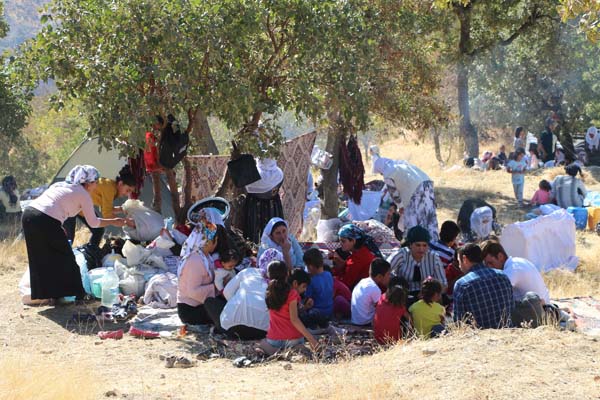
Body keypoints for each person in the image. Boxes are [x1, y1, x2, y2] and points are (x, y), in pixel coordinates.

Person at [21, 165, 131, 301]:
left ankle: (44, 295)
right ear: (89, 182)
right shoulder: (82, 194)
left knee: (41, 256)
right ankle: (79, 294)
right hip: (45, 219)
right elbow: (94, 223)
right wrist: (114, 221)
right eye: (95, 182)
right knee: (66, 256)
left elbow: (53, 204)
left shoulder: (61, 185)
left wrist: (58, 225)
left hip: (29, 215)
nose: (96, 186)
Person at [205, 248, 282, 340]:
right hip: (263, 332)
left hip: (232, 329)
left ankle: (221, 329)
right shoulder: (282, 285)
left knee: (209, 302)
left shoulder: (248, 271)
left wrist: (238, 302)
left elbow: (227, 292)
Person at [371, 147, 439, 241]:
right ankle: (433, 241)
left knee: (413, 219)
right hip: (427, 185)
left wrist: (400, 206)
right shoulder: (400, 165)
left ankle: (414, 243)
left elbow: (393, 193)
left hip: (415, 192)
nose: (381, 175)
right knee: (429, 216)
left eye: (380, 173)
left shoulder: (388, 172)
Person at [64, 164, 136, 249]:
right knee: (69, 237)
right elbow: (107, 215)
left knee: (98, 230)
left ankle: (91, 252)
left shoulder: (111, 188)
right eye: (127, 190)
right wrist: (127, 222)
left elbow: (106, 209)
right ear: (120, 184)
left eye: (130, 192)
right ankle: (88, 252)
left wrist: (122, 209)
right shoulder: (110, 188)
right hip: (71, 204)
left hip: (81, 207)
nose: (127, 194)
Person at [481, 241, 551, 327]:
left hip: (538, 312)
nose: (489, 267)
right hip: (543, 307)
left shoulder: (511, 270)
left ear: (500, 256)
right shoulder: (518, 261)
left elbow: (495, 294)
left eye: (490, 263)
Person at [261, 260, 318, 354]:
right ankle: (292, 350)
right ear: (287, 274)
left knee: (262, 343)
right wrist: (311, 339)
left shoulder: (269, 293)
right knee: (298, 347)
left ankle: (278, 352)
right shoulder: (292, 293)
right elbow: (294, 319)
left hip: (274, 339)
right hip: (293, 338)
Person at [453, 244, 513, 329]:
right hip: (507, 332)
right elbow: (511, 308)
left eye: (459, 262)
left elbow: (459, 323)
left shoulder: (462, 284)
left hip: (479, 337)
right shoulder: (503, 276)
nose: (459, 266)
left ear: (465, 259)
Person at [176, 217, 219, 325]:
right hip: (191, 311)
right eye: (215, 239)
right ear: (207, 242)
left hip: (201, 304)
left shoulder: (206, 257)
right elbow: (192, 291)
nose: (217, 242)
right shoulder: (195, 260)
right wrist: (215, 288)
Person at [387, 226, 447, 298]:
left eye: (424, 245)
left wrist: (430, 294)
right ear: (410, 245)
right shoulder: (401, 254)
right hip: (402, 295)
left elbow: (443, 284)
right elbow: (384, 271)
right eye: (418, 245)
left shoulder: (434, 257)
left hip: (426, 297)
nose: (421, 249)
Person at [243, 156, 285, 244]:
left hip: (254, 206)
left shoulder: (253, 175)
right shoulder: (279, 174)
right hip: (273, 206)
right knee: (273, 230)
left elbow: (247, 187)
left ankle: (253, 249)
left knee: (254, 231)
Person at [331, 224, 380, 290]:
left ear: (353, 241)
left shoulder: (358, 258)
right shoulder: (362, 251)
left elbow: (345, 283)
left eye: (343, 241)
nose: (340, 243)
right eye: (340, 241)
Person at [351, 258, 391, 326]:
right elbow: (382, 309)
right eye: (388, 274)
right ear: (379, 276)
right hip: (365, 322)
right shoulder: (374, 288)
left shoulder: (363, 281)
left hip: (355, 320)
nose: (389, 277)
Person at [301, 249, 334, 329]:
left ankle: (314, 328)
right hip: (330, 311)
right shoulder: (329, 274)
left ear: (310, 266)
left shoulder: (312, 281)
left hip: (317, 313)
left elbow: (307, 299)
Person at [373, 276, 410, 344]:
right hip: (394, 340)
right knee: (404, 323)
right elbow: (410, 320)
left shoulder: (381, 298)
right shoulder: (400, 307)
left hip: (378, 337)